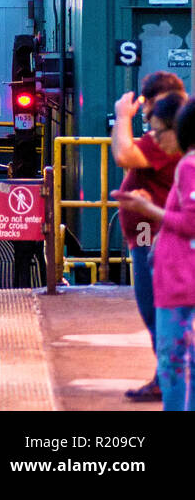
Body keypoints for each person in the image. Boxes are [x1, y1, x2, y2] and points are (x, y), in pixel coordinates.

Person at [115, 94, 195, 411]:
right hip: (161, 252)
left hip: (171, 269)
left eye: (157, 129)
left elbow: (124, 155)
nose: (153, 136)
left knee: (174, 363)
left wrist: (146, 208)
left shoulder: (185, 163)